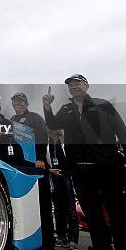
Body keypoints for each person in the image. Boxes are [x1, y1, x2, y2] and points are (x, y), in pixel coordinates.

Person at [43, 75, 126, 250]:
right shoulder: (66, 109)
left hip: (107, 168)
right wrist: (47, 107)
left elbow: (121, 131)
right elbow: (52, 124)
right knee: (93, 215)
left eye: (77, 83)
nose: (73, 86)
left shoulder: (103, 104)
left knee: (116, 212)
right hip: (81, 172)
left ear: (86, 85)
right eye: (70, 85)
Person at [10, 92, 54, 249]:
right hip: (21, 166)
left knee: (42, 203)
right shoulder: (12, 120)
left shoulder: (35, 118)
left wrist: (40, 158)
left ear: (26, 103)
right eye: (15, 101)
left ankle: (48, 241)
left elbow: (43, 138)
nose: (17, 104)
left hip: (37, 165)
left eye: (20, 101)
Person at [47, 129, 79, 249]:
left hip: (66, 176)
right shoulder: (46, 142)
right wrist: (50, 171)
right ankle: (61, 237)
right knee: (58, 207)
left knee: (70, 208)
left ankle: (73, 239)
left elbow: (73, 158)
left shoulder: (65, 140)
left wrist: (67, 172)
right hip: (53, 177)